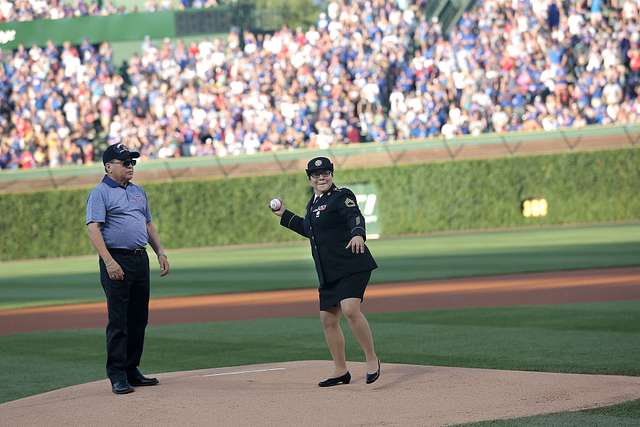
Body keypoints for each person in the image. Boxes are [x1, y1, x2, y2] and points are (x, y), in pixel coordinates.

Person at [271, 156, 381, 386]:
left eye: (325, 173)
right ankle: (340, 370)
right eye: (316, 175)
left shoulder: (342, 196)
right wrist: (284, 215)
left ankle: (371, 359)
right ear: (310, 179)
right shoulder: (313, 203)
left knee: (350, 309)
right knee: (328, 319)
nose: (321, 177)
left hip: (352, 263)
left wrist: (358, 233)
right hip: (329, 270)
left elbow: (354, 216)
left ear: (331, 175)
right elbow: (310, 230)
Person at [85, 143, 170, 394]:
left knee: (138, 319)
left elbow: (147, 224)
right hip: (117, 259)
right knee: (119, 320)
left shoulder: (138, 192)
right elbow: (93, 228)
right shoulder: (100, 192)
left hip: (139, 258)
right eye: (125, 162)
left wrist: (160, 251)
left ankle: (132, 369)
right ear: (109, 166)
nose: (131, 166)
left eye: (132, 162)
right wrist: (109, 261)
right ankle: (117, 374)